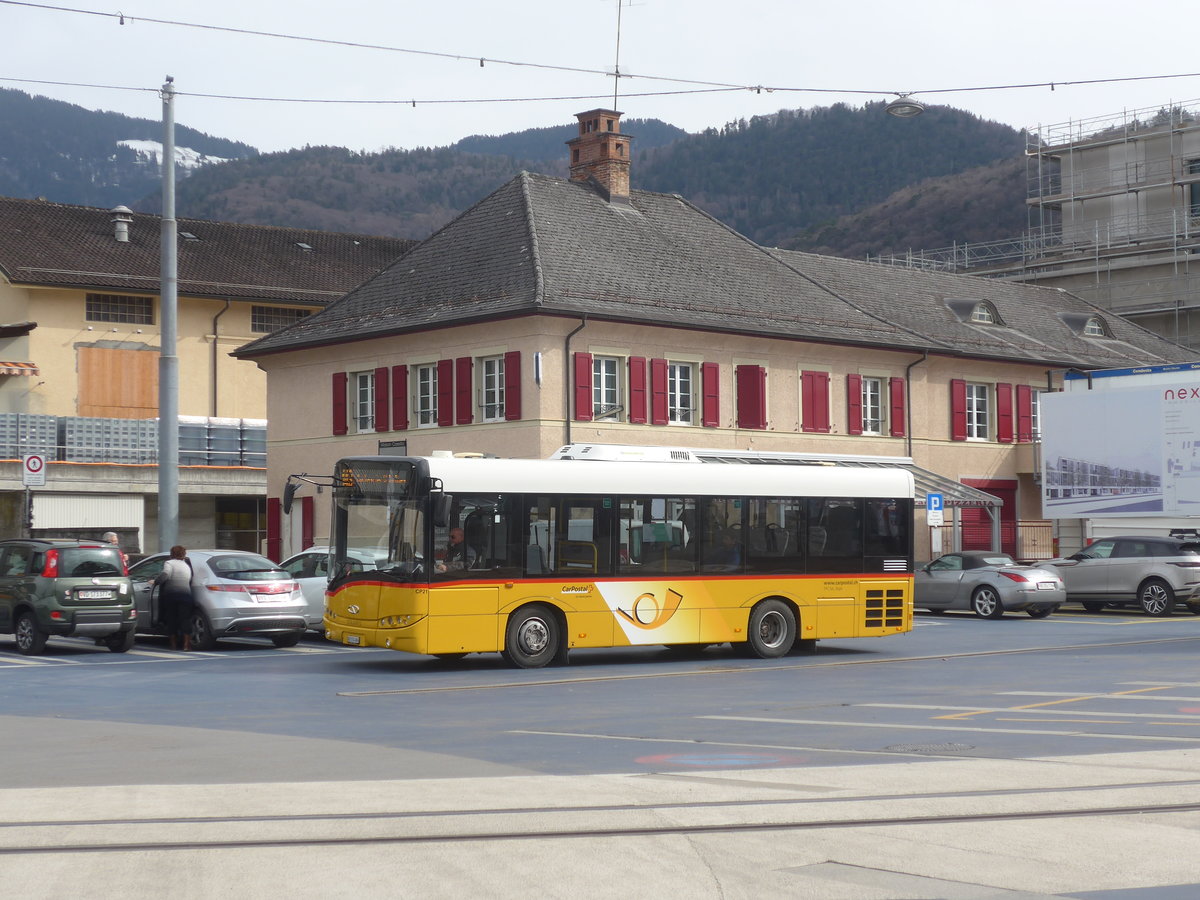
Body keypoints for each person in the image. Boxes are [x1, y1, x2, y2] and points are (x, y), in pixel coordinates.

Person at [154, 545, 194, 651]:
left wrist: (156, 581)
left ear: (172, 553)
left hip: (171, 595)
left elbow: (165, 574)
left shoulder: (169, 563)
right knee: (185, 619)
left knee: (171, 619)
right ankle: (186, 644)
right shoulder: (186, 565)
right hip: (186, 595)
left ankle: (173, 644)